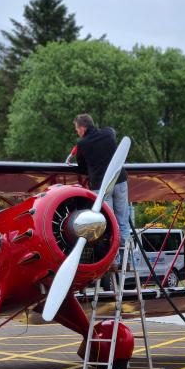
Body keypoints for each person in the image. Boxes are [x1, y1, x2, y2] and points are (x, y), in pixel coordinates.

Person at [70, 113, 131, 269]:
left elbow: (82, 168)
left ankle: (114, 260)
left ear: (82, 128)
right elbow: (112, 132)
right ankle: (128, 259)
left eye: (77, 129)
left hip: (101, 186)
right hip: (120, 180)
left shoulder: (82, 144)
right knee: (123, 222)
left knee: (110, 224)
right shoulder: (108, 133)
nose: (77, 132)